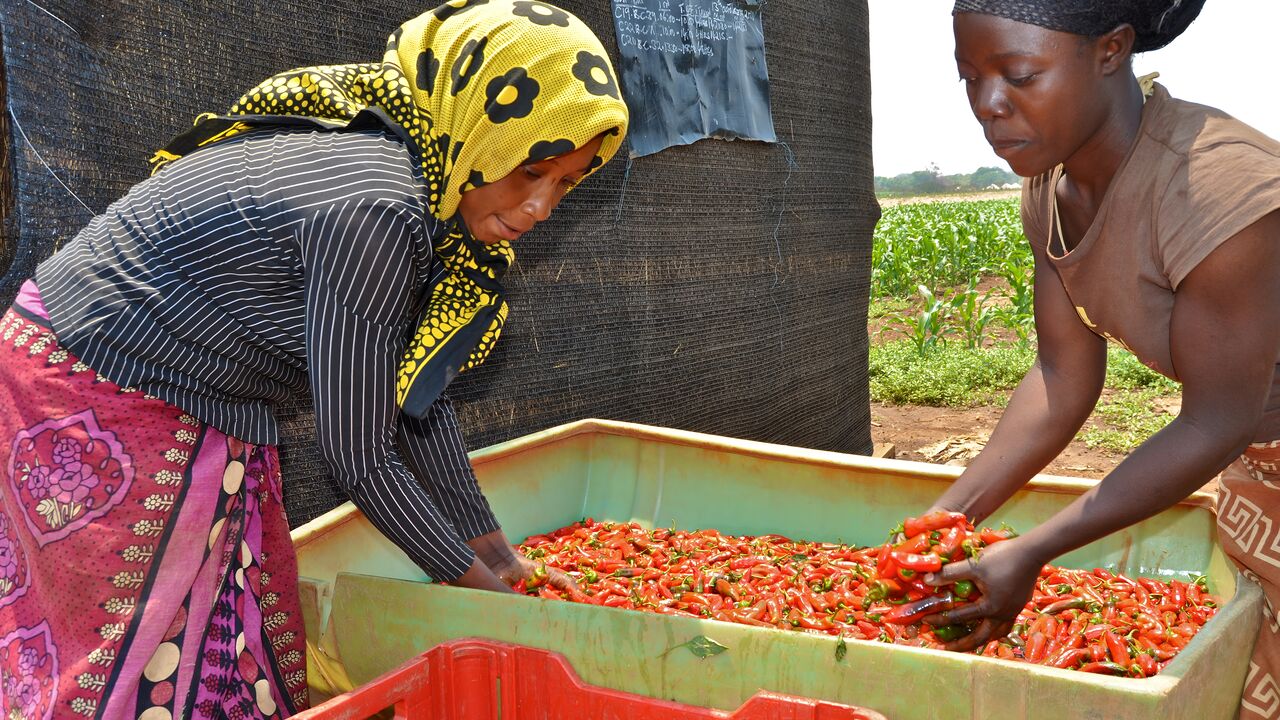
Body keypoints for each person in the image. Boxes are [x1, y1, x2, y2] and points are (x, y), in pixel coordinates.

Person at [0, 0, 628, 716]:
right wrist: (497, 605)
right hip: (96, 387)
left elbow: (414, 397)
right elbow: (359, 456)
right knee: (126, 646)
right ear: (480, 131)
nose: (542, 206)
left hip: (163, 379)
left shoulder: (417, 183)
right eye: (531, 171)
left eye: (567, 182)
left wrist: (502, 559)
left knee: (210, 632)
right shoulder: (379, 208)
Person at [916, 1, 1280, 715]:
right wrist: (943, 521)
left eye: (1018, 74)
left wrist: (1033, 549)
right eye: (969, 78)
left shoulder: (1215, 185)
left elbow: (1216, 421)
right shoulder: (1050, 188)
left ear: (1111, 51)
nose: (988, 104)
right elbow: (1062, 377)